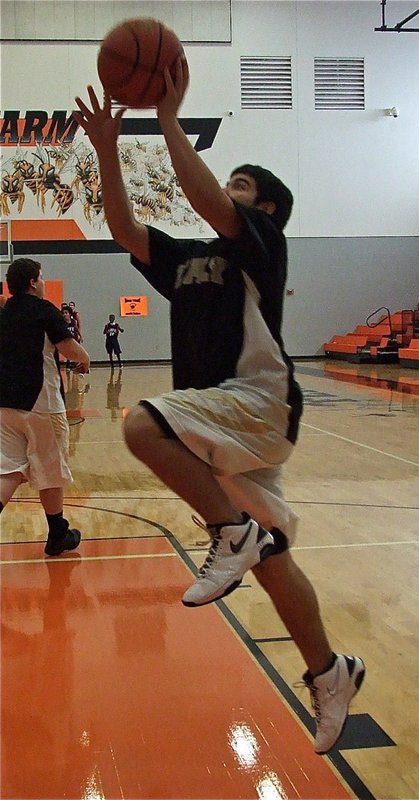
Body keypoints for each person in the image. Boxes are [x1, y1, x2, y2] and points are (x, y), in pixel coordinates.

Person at [74, 71, 365, 755]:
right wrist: (108, 150)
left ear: (263, 206)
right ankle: (331, 673)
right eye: (228, 179)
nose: (224, 187)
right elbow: (122, 227)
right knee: (274, 561)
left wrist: (167, 118)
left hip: (257, 400)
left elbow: (206, 199)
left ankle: (230, 534)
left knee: (141, 423)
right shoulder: (187, 261)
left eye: (238, 182)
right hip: (223, 423)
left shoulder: (261, 241)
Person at [0, 258, 90, 556]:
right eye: (42, 277)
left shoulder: (4, 313)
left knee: (8, 471)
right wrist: (85, 359)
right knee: (51, 470)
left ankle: (58, 534)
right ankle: (57, 535)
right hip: (41, 403)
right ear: (32, 282)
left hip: (5, 405)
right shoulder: (43, 311)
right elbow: (69, 348)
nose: (44, 281)